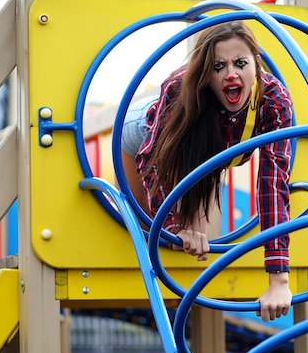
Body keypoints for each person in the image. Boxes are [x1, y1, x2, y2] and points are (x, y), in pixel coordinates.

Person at [120, 21, 293, 322]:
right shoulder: (180, 89)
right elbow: (155, 159)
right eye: (218, 66)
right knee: (149, 227)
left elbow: (273, 184)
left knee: (193, 235)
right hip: (144, 134)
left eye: (240, 63)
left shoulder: (273, 102)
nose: (230, 74)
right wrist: (173, 223)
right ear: (205, 72)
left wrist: (279, 279)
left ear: (257, 64)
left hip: (206, 160)